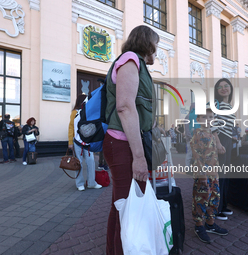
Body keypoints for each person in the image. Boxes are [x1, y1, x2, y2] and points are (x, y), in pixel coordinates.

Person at [102, 25, 159, 254]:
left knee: (122, 206)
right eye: (156, 44)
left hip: (123, 142)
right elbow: (125, 107)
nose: (157, 50)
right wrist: (138, 157)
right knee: (129, 210)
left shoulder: (137, 63)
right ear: (147, 43)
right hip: (123, 144)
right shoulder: (130, 59)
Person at [191, 107, 228, 244]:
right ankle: (199, 226)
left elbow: (213, 152)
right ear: (198, 120)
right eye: (204, 117)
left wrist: (220, 148)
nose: (208, 120)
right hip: (203, 175)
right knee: (201, 199)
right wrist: (201, 175)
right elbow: (196, 157)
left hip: (213, 174)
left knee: (214, 199)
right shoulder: (198, 134)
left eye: (211, 117)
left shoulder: (212, 135)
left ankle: (210, 223)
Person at [210, 78, 235, 221]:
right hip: (219, 142)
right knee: (218, 176)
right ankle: (216, 209)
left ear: (231, 88)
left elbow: (227, 126)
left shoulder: (228, 105)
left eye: (226, 86)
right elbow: (211, 122)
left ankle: (222, 205)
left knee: (225, 174)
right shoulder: (216, 103)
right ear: (216, 90)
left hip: (228, 142)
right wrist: (218, 143)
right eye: (220, 87)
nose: (224, 88)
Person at [68, 95, 102, 191]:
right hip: (77, 142)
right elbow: (71, 127)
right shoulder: (74, 113)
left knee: (91, 161)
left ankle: (92, 183)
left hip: (88, 142)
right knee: (78, 163)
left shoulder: (89, 112)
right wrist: (70, 142)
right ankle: (80, 184)